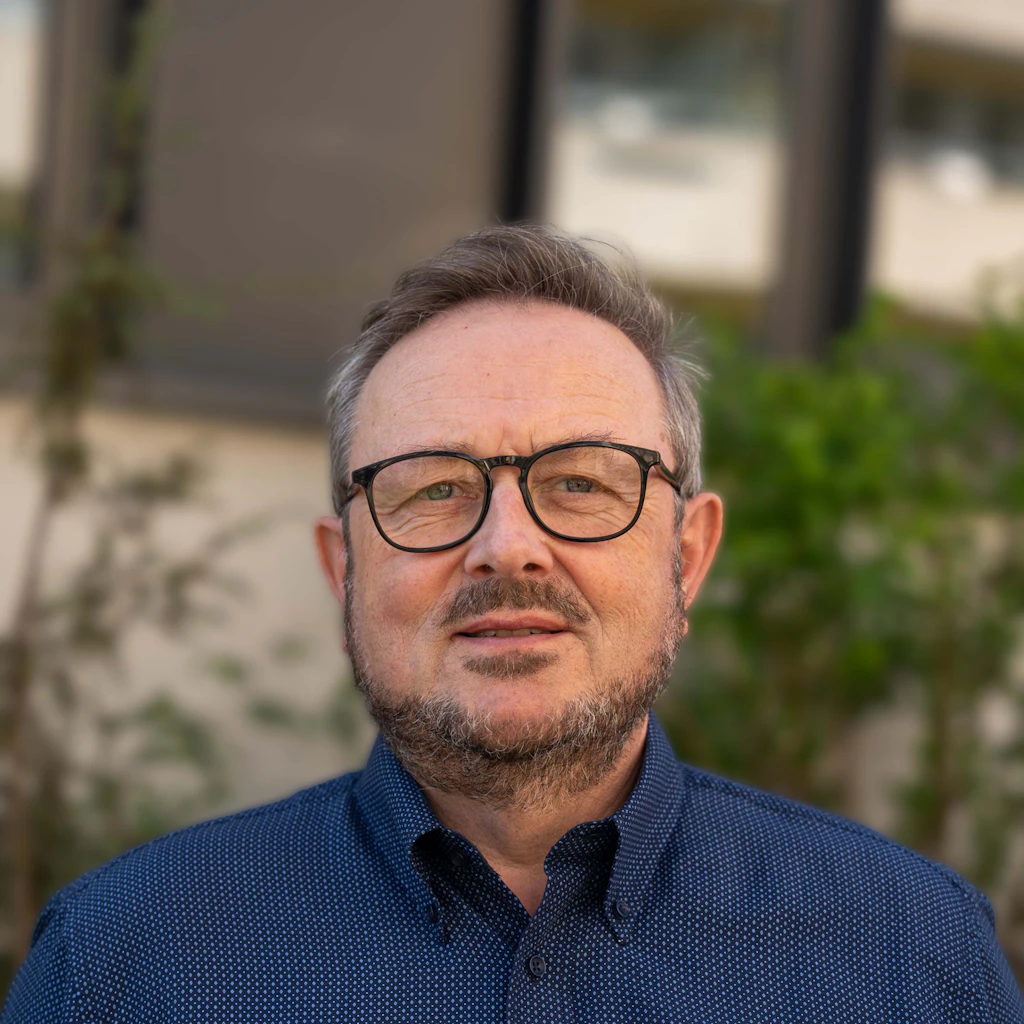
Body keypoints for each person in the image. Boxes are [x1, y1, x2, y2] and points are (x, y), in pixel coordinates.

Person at [3, 226, 1021, 1023]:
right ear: (342, 568)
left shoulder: (911, 958)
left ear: (688, 555)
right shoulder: (124, 965)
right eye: (434, 487)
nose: (507, 546)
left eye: (580, 482)